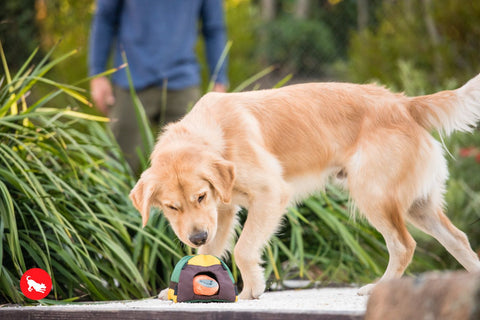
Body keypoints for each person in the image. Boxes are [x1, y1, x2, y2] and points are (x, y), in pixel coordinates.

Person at [88, 0, 228, 173]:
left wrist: (219, 79)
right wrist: (98, 74)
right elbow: (105, 17)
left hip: (183, 83)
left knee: (191, 173)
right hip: (130, 81)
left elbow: (214, 28)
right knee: (115, 172)